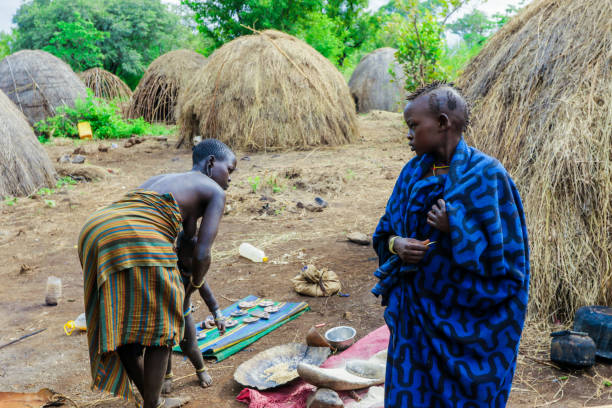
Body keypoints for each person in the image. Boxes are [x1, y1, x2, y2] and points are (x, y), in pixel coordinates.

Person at [372, 81, 529, 407]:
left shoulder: (488, 176)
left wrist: (456, 227)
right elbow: (384, 232)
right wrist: (397, 245)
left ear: (443, 123)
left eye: (414, 126)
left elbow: (511, 261)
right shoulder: (411, 174)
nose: (409, 135)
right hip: (415, 319)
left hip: (469, 321)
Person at [78, 139, 236, 408]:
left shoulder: (163, 179)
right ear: (211, 163)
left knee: (125, 322)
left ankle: (153, 401)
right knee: (164, 325)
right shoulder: (213, 190)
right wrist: (195, 284)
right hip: (135, 235)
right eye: (229, 170)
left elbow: (186, 238)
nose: (230, 180)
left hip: (96, 230)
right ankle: (153, 404)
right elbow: (201, 254)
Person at [161, 230, 226, 394]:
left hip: (184, 313)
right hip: (166, 316)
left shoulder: (195, 273)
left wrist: (217, 314)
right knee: (164, 348)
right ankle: (167, 376)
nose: (194, 262)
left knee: (190, 346)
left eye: (197, 258)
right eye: (190, 257)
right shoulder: (169, 269)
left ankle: (201, 369)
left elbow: (207, 294)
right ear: (177, 251)